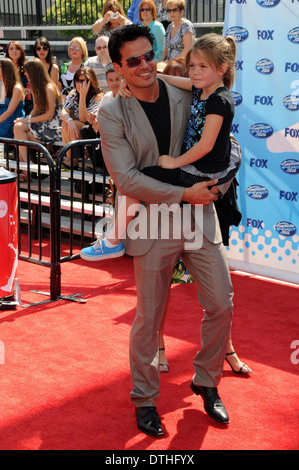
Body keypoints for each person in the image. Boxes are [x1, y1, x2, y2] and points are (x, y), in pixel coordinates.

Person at [96, 24, 235, 435]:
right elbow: (126, 179)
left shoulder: (190, 92)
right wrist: (183, 195)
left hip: (199, 218)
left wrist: (214, 188)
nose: (144, 66)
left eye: (148, 55)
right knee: (150, 317)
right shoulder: (111, 110)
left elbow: (223, 142)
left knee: (222, 303)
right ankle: (144, 398)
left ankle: (206, 382)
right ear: (118, 66)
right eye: (133, 61)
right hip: (154, 219)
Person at [14, 58, 63, 181]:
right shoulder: (36, 87)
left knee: (20, 132)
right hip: (43, 123)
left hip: (53, 126)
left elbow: (49, 115)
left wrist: (27, 121)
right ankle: (27, 167)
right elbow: (36, 109)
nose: (25, 74)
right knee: (18, 127)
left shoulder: (49, 88)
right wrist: (25, 119)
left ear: (34, 72)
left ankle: (26, 169)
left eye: (27, 71)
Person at [78, 66, 121, 172]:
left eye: (117, 79)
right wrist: (93, 119)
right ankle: (98, 166)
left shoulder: (128, 95)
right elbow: (98, 118)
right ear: (107, 82)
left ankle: (108, 168)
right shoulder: (107, 97)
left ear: (123, 79)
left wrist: (100, 123)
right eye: (111, 80)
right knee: (86, 130)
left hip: (121, 136)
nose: (114, 83)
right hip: (107, 132)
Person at [60, 67, 104, 168]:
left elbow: (84, 119)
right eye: (77, 81)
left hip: (93, 130)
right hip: (79, 128)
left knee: (74, 124)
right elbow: (63, 113)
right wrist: (70, 120)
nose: (80, 84)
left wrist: (83, 96)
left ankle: (74, 161)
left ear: (91, 81)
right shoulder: (73, 93)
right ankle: (71, 159)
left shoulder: (98, 96)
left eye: (83, 81)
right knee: (66, 123)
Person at [5, 40, 33, 115]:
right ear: (7, 52)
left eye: (17, 48)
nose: (14, 51)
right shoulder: (3, 69)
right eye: (11, 49)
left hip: (25, 103)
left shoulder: (27, 67)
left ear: (21, 51)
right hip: (7, 101)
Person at [0, 58, 25, 138]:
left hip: (11, 122)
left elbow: (10, 111)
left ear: (6, 69)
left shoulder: (16, 88)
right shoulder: (2, 85)